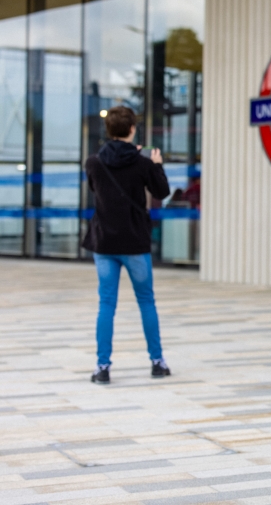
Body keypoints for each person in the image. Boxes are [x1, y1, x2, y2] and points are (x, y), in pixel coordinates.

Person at [83, 106, 171, 384]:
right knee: (146, 301)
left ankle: (102, 367)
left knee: (106, 303)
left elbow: (97, 190)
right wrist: (155, 165)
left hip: (105, 243)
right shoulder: (142, 162)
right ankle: (157, 362)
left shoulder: (93, 163)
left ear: (108, 130)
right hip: (135, 243)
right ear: (132, 129)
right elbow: (162, 192)